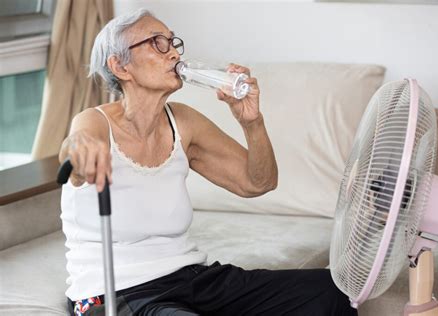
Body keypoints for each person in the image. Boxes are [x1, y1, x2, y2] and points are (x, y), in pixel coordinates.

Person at [59, 8, 356, 316]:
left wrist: (251, 122)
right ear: (120, 66)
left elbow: (258, 183)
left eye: (173, 42)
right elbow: (76, 150)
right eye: (157, 42)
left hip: (190, 278)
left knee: (332, 291)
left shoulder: (183, 122)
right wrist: (80, 149)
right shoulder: (94, 122)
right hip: (114, 292)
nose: (173, 52)